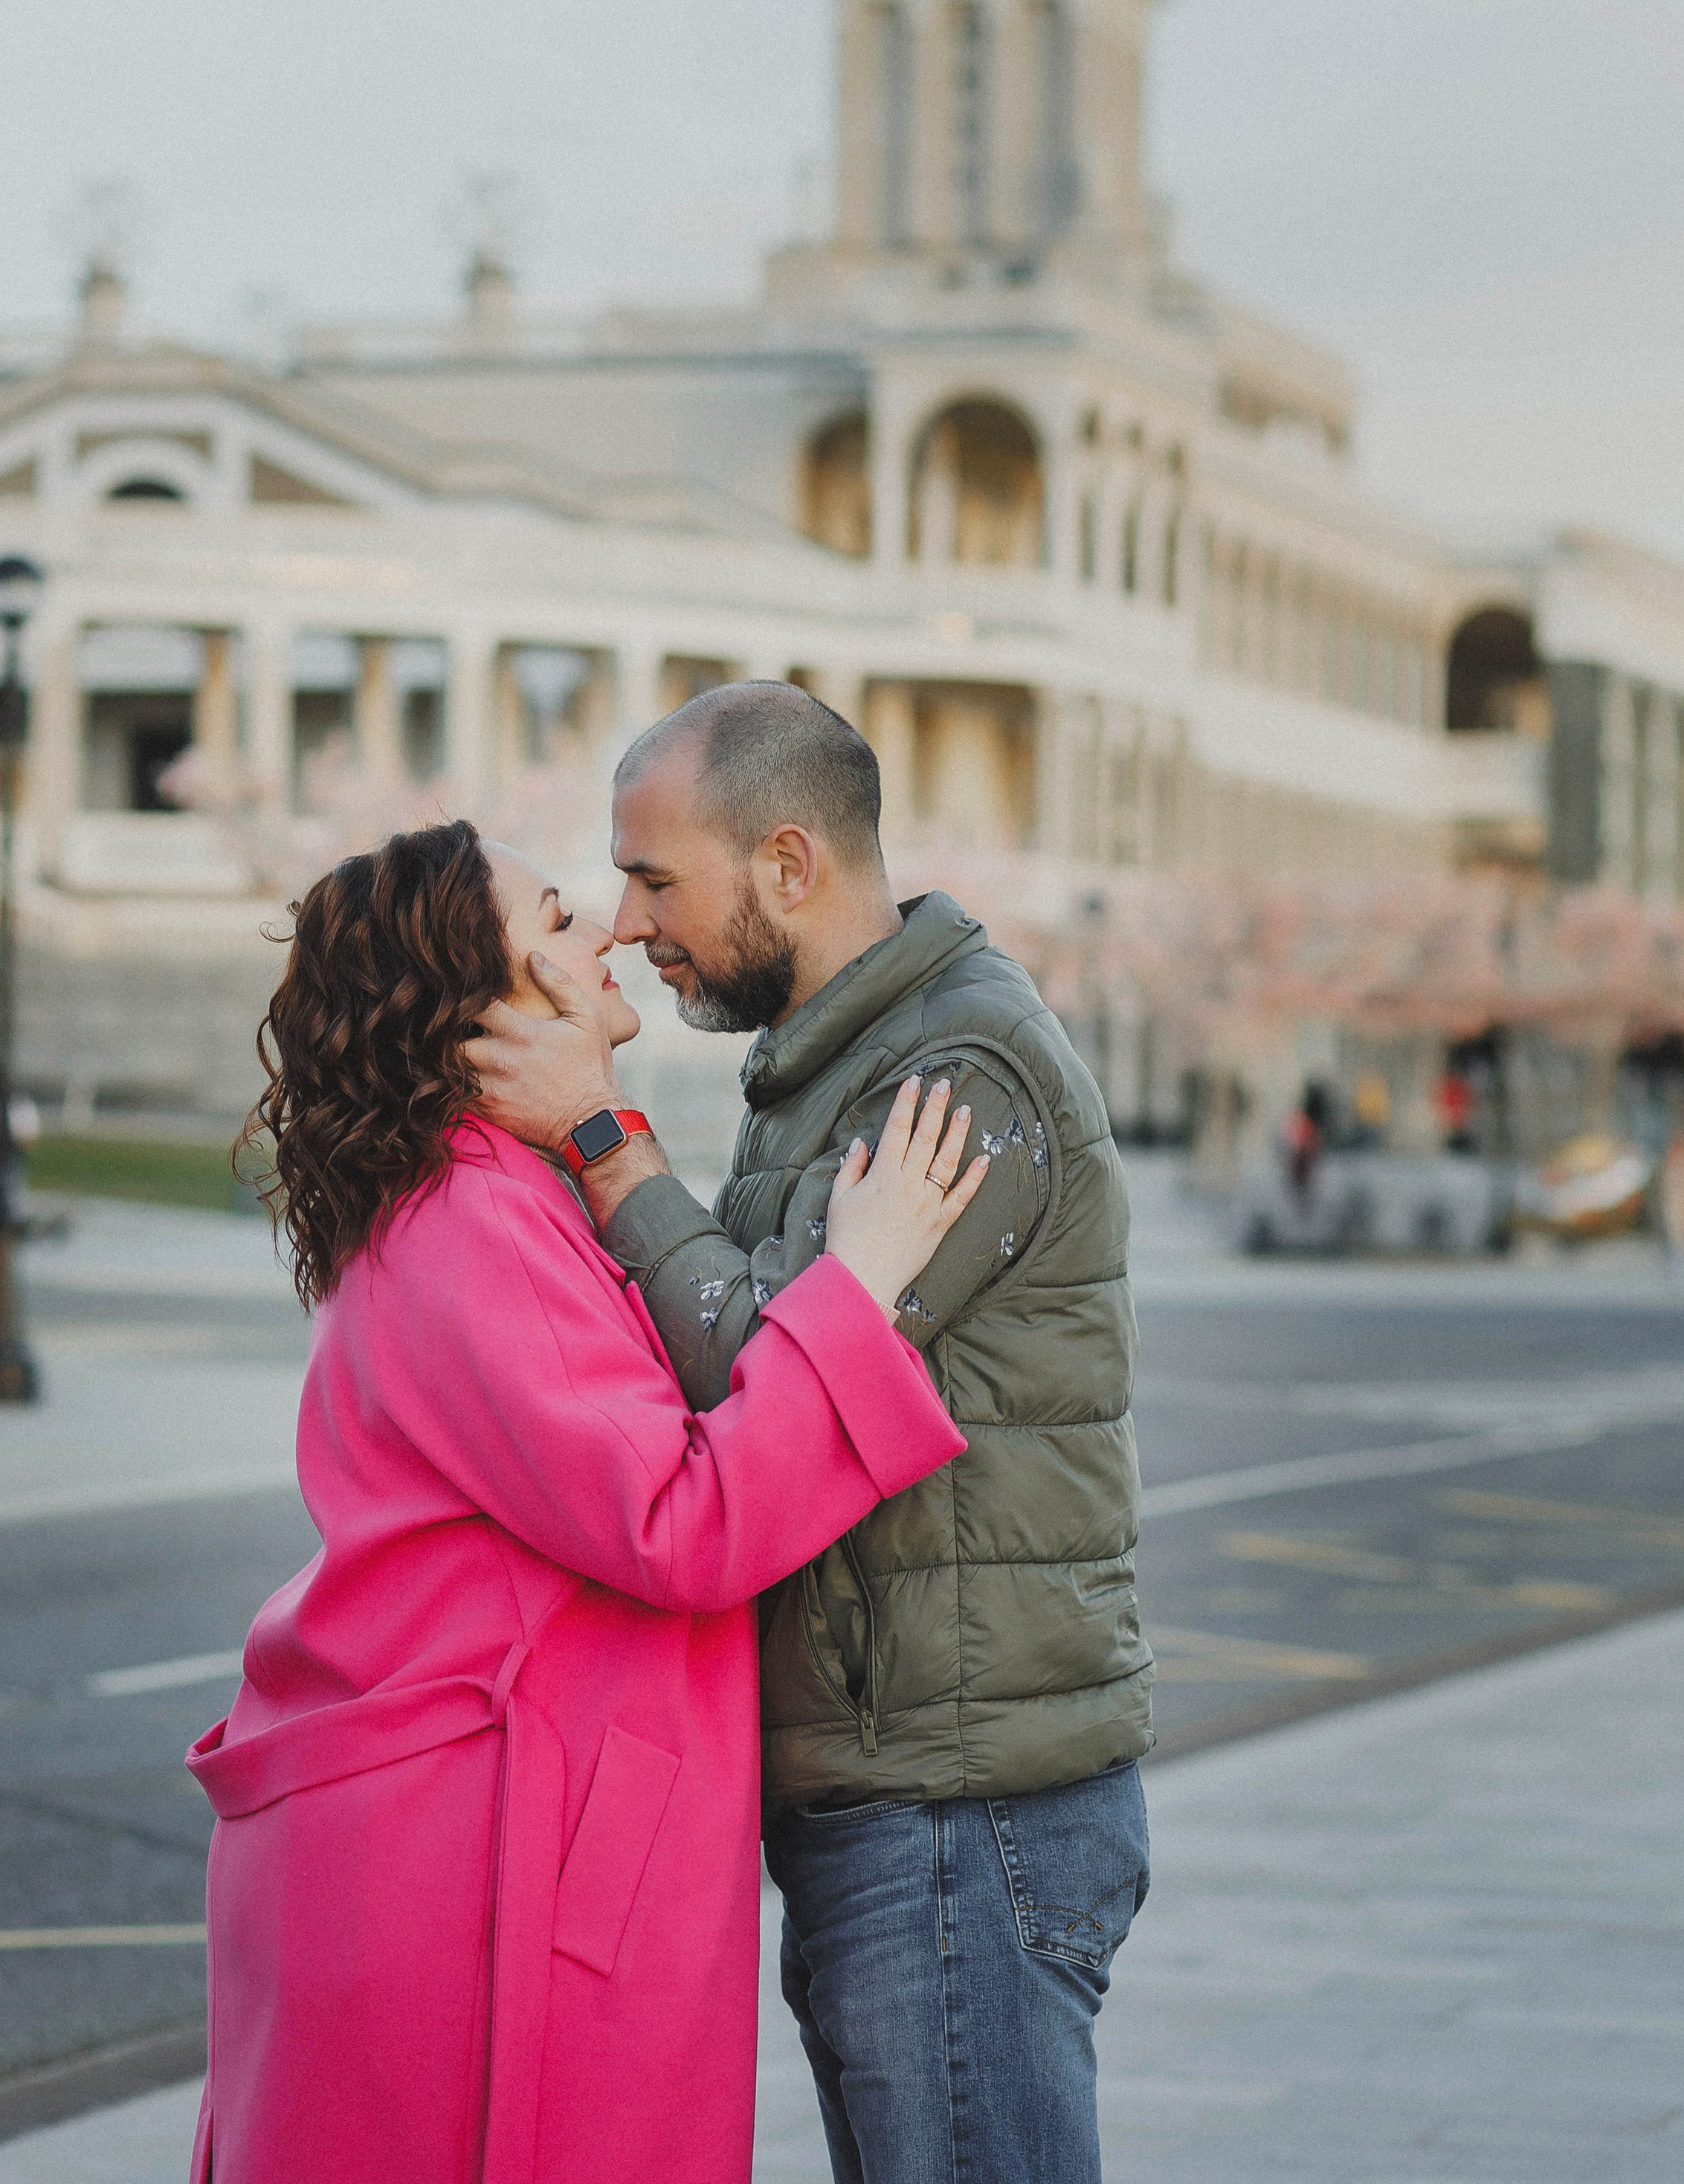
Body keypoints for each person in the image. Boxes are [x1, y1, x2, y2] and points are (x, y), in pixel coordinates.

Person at [186, 819, 978, 2184]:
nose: (606, 928)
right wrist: (860, 1284)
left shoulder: (488, 1196)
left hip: (506, 1839)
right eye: (555, 920)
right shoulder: (473, 1221)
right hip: (491, 1871)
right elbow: (685, 1521)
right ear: (481, 1016)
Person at [468, 681, 1153, 2184]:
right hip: (899, 1791)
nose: (630, 920)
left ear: (787, 864)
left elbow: (771, 1375)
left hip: (959, 1806)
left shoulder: (956, 1077)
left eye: (655, 878)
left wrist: (602, 1141)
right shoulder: (836, 1060)